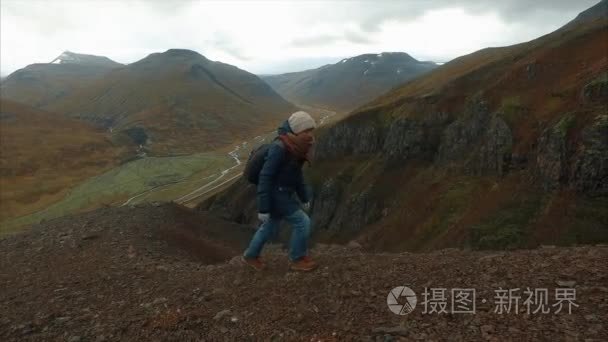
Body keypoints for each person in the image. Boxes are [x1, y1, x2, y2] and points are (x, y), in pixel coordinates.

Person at [242, 111, 317, 271]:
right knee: (302, 222)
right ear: (296, 130)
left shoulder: (296, 148)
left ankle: (251, 255)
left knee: (269, 227)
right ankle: (297, 259)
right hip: (277, 195)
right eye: (306, 131)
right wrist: (263, 208)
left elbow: (297, 176)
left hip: (283, 193)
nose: (310, 135)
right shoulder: (280, 148)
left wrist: (304, 197)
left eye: (312, 130)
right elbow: (265, 177)